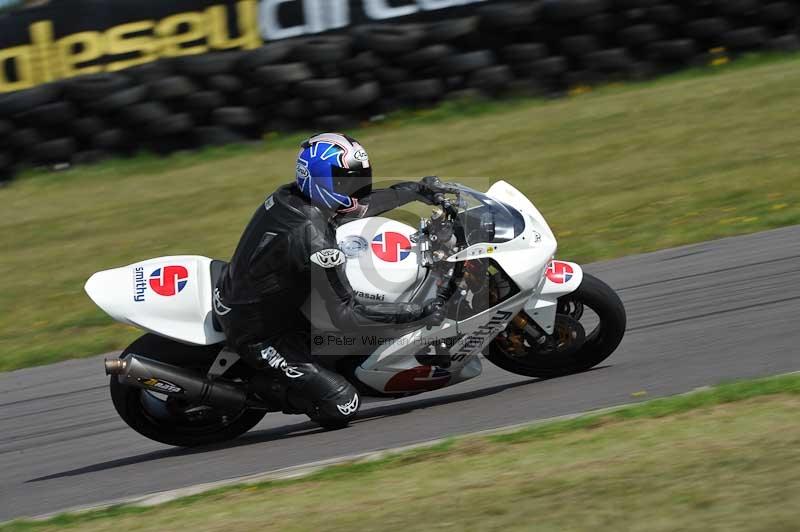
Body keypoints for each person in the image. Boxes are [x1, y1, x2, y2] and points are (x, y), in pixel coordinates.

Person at [214, 132, 446, 428]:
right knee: (343, 405)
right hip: (259, 332)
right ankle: (269, 390)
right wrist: (420, 312)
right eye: (345, 183)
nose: (356, 190)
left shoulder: (294, 195)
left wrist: (416, 190)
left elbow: (362, 207)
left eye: (360, 180)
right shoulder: (314, 240)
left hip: (272, 299)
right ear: (318, 181)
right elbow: (347, 314)